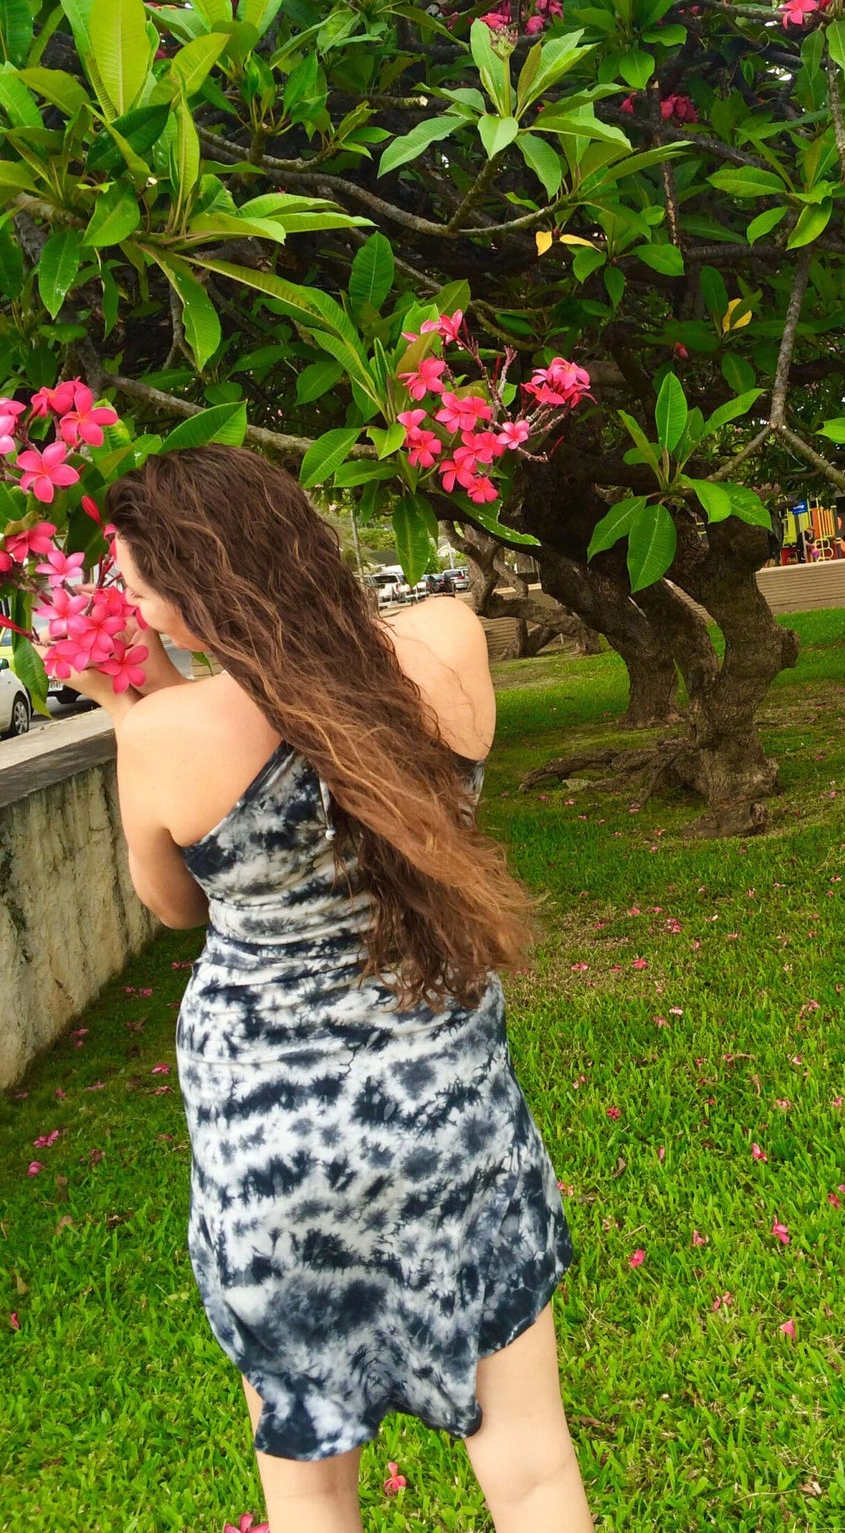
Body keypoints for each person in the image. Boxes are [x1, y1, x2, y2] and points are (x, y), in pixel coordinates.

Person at [38, 444, 592, 1533]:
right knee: (530, 1464)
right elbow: (328, 702)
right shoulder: (441, 647)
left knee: (307, 1486)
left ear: (191, 598)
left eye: (141, 587)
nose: (134, 606)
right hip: (448, 1110)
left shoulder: (163, 733)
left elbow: (175, 905)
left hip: (275, 1147)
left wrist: (131, 705)